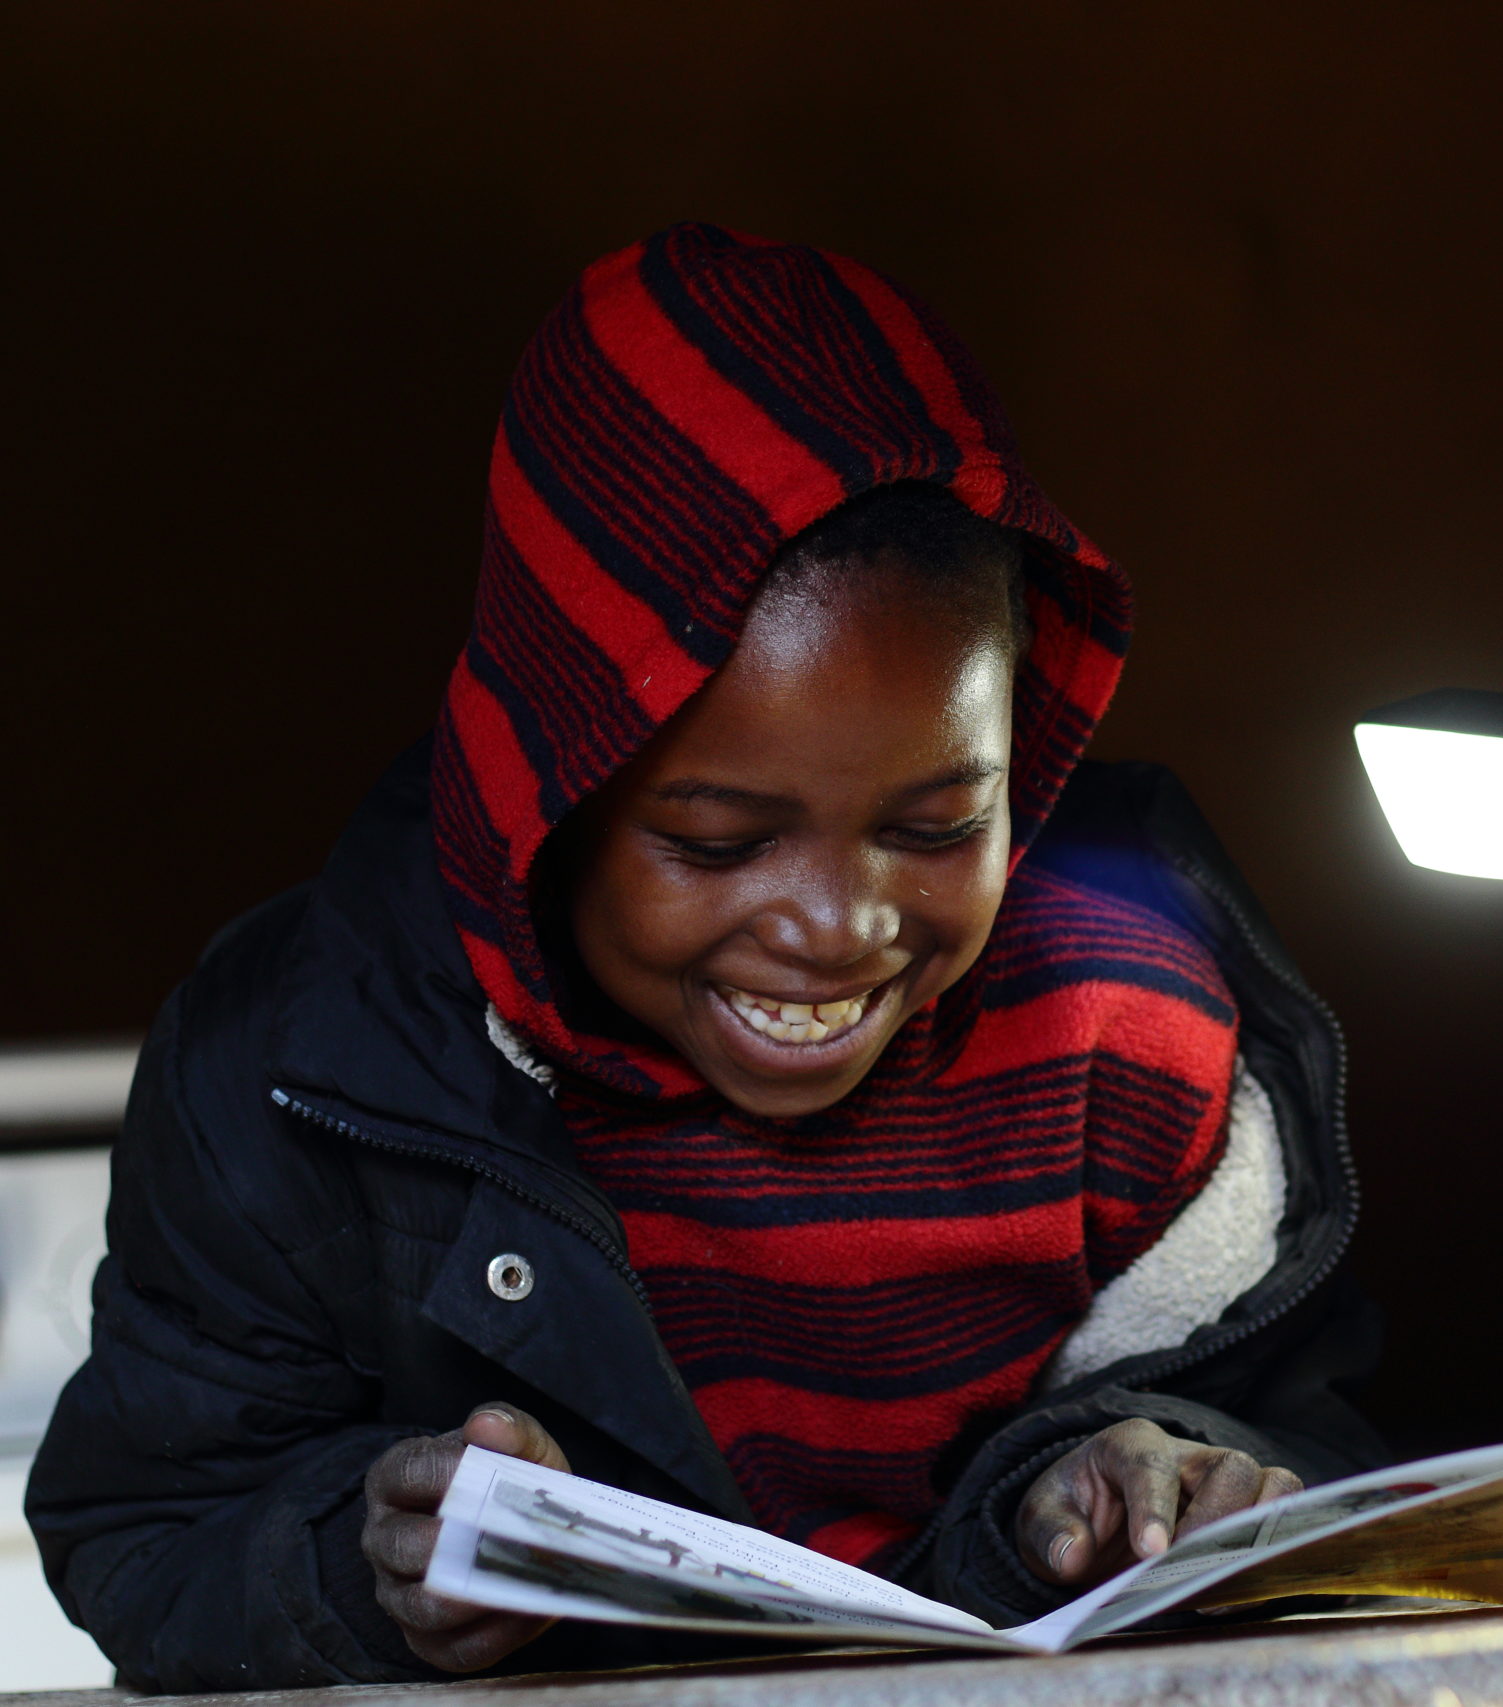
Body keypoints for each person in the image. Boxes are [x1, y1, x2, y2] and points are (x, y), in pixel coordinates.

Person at [27, 223, 1381, 1692]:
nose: (839, 926)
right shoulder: (296, 1071)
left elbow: (1316, 1431)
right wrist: (366, 1567)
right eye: (723, 839)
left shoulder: (1138, 1033)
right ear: (543, 785)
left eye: (937, 826)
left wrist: (1171, 1477)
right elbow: (146, 1527)